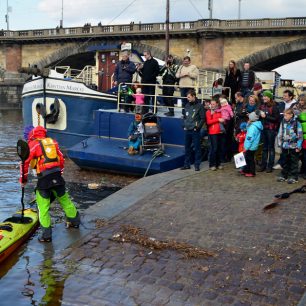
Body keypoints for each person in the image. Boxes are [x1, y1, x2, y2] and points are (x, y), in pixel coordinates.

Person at [19, 126, 80, 242]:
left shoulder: (33, 144)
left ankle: (46, 236)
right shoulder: (52, 142)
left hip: (44, 180)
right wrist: (59, 173)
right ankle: (75, 222)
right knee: (66, 201)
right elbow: (61, 159)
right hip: (57, 178)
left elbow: (25, 163)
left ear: (31, 135)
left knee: (43, 208)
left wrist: (23, 180)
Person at [180, 90, 205, 171]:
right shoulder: (187, 105)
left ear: (194, 96)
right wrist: (184, 125)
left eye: (189, 97)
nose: (188, 99)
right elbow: (184, 117)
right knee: (187, 148)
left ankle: (197, 164)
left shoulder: (200, 106)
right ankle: (186, 164)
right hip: (187, 130)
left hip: (195, 131)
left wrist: (197, 128)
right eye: (187, 97)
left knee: (197, 148)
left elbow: (202, 118)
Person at [277, 109, 303, 184]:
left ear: (291, 115)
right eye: (284, 115)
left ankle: (294, 176)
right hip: (285, 146)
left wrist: (298, 146)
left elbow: (300, 136)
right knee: (285, 161)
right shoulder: (283, 122)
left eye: (286, 115)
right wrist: (280, 144)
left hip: (294, 146)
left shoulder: (296, 123)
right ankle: (284, 174)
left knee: (294, 162)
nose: (285, 116)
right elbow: (280, 133)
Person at [273, 89, 298, 170]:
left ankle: (289, 165)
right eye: (283, 96)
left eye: (285, 96)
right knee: (282, 147)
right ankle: (281, 163)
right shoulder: (281, 104)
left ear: (290, 97)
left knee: (291, 150)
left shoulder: (295, 105)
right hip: (281, 127)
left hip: (291, 130)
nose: (283, 97)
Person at [257, 90, 280, 173]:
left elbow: (276, 119)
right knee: (264, 148)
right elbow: (258, 114)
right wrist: (258, 114)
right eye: (263, 96)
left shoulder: (274, 106)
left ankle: (269, 166)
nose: (264, 98)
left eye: (266, 96)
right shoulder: (262, 106)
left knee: (271, 148)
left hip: (271, 130)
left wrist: (265, 116)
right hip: (263, 129)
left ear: (270, 97)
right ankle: (263, 165)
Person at [241, 111, 263, 177]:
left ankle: (251, 172)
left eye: (249, 118)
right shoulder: (255, 124)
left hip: (250, 146)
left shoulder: (253, 127)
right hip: (254, 145)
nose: (248, 119)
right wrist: (248, 124)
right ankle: (245, 170)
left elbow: (249, 138)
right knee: (248, 158)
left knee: (249, 159)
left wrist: (246, 147)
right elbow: (248, 129)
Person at [206, 98, 224, 170]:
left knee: (219, 148)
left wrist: (222, 120)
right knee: (214, 149)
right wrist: (218, 119)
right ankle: (212, 164)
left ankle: (218, 163)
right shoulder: (208, 112)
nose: (212, 105)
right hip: (213, 132)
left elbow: (223, 120)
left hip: (220, 132)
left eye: (214, 104)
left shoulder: (219, 111)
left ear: (217, 104)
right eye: (211, 104)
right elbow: (208, 122)